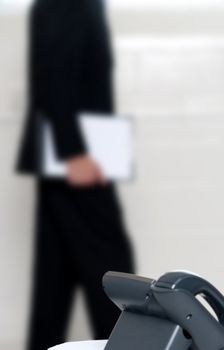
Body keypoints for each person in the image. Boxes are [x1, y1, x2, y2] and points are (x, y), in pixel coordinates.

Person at [15, 0, 134, 349]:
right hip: (75, 157)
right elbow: (51, 79)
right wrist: (74, 154)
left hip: (73, 156)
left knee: (56, 275)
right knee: (111, 268)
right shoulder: (66, 5)